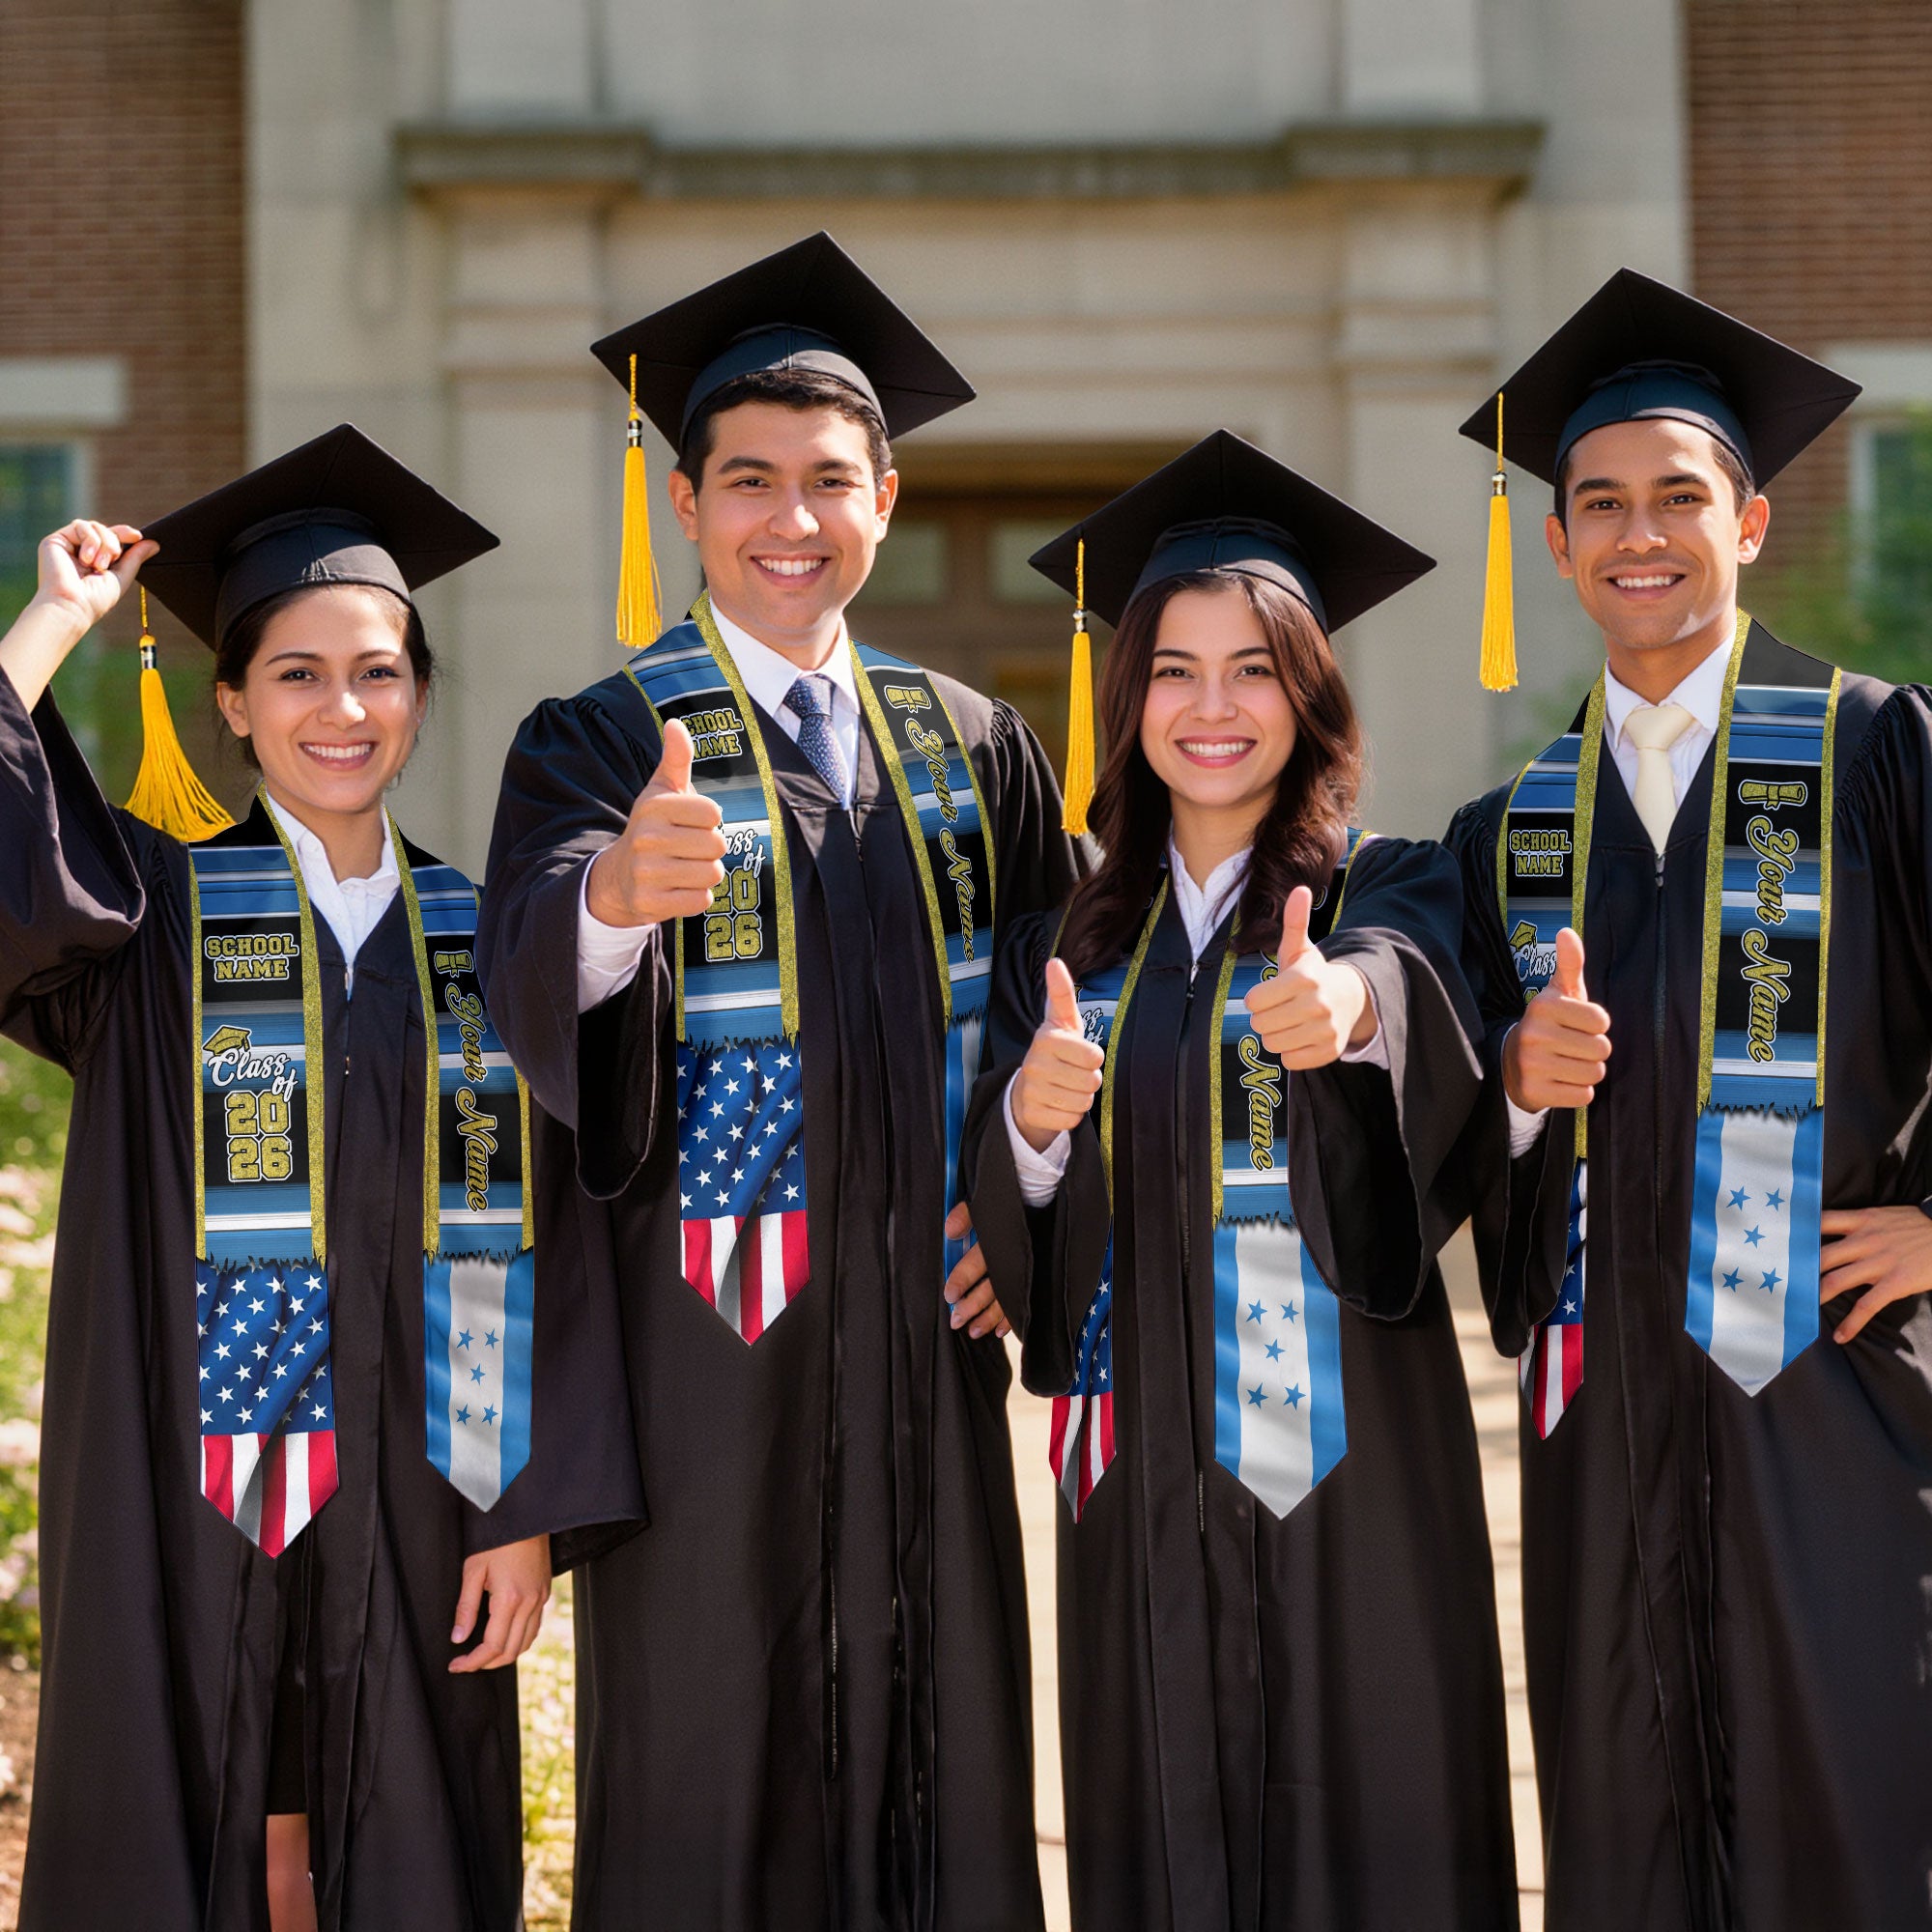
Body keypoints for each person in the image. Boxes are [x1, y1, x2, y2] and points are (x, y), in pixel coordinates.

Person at [478, 233, 1083, 1930]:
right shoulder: (601, 738)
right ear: (685, 504)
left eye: (829, 480)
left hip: (926, 1359)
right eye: (748, 481)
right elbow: (528, 968)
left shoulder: (972, 743)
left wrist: (1021, 1206)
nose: (790, 518)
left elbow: (1069, 1003)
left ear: (886, 498)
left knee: (941, 1758)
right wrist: (612, 899)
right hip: (705, 1368)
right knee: (710, 1771)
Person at [0, 425, 640, 1932]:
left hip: (427, 1489)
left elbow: (564, 1242)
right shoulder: (148, 919)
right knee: (191, 1803)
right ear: (231, 701)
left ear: (418, 694)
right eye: (296, 673)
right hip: (182, 1483)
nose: (341, 709)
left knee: (407, 1831)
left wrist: (526, 1509)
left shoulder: (493, 941)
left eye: (378, 672)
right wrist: (52, 623)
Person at [963, 431, 1519, 1930]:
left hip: (1351, 1470)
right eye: (1175, 671)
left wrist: (1350, 1012)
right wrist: (1029, 1125)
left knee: (1373, 1825)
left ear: (1310, 693)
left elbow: (1409, 988)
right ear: (1126, 698)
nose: (1212, 708)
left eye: (1254, 670)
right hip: (1138, 1471)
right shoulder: (1065, 945)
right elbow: (1016, 1212)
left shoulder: (1388, 883)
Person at [1447, 270, 1932, 1931]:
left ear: (1752, 523)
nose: (1637, 534)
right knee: (1627, 1824)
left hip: (1834, 1399)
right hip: (1606, 1427)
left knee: (1853, 1816)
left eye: (1678, 497)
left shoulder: (1877, 755)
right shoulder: (1512, 832)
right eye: (1599, 504)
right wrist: (1515, 1091)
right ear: (1558, 543)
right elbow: (1452, 1134)